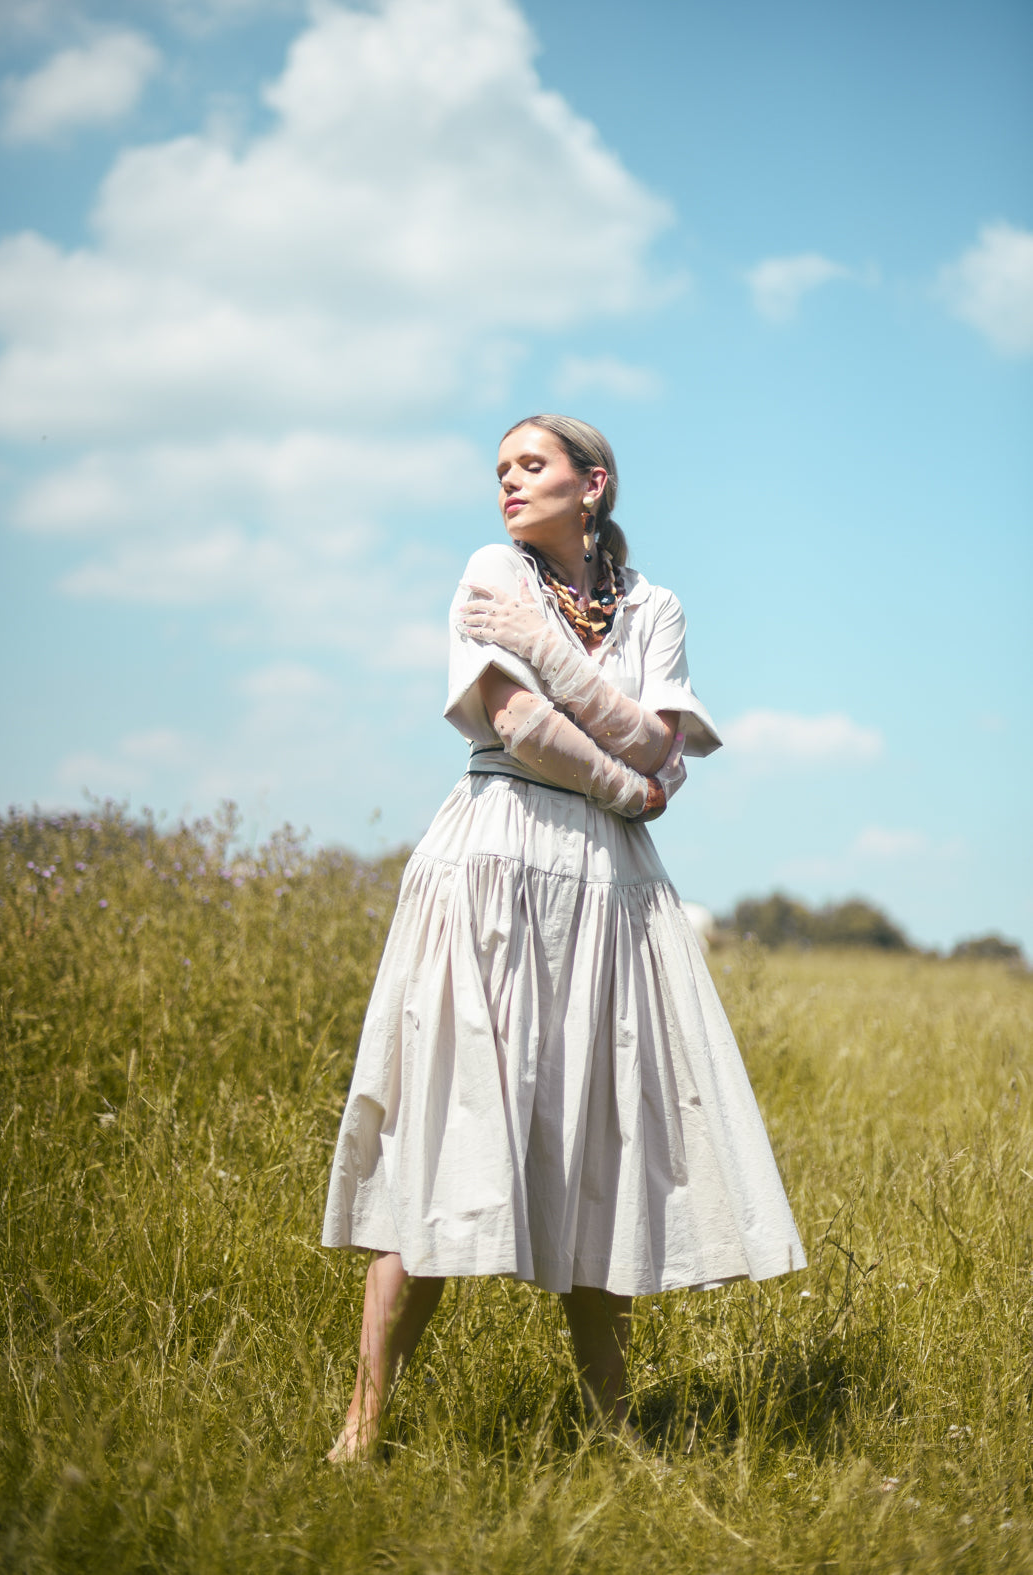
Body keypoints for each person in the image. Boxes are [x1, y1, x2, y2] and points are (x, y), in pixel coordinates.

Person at [321, 414, 805, 1461]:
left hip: (609, 888)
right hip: (493, 866)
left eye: (530, 465)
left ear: (595, 485)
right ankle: (361, 1432)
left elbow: (661, 740)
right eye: (497, 469)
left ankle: (614, 1434)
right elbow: (520, 729)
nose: (506, 482)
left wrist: (551, 659)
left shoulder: (656, 606)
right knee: (447, 1140)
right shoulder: (488, 569)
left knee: (601, 1145)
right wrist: (632, 779)